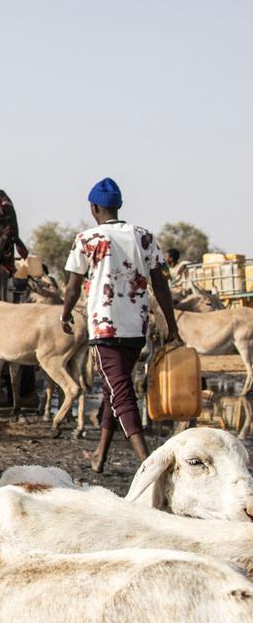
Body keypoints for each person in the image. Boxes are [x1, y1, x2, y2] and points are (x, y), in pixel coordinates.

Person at [61, 178, 180, 473]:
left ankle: (150, 465)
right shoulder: (145, 237)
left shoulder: (87, 239)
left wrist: (65, 315)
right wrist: (172, 325)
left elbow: (73, 287)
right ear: (119, 206)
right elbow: (161, 284)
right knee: (114, 390)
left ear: (93, 207)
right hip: (136, 329)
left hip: (105, 329)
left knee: (121, 393)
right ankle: (100, 454)